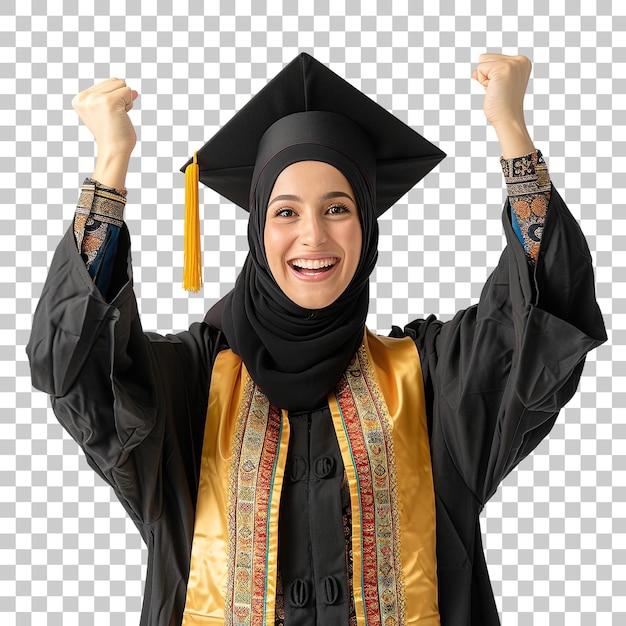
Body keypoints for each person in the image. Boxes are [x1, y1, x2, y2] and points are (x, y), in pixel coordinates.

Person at [27, 53, 606, 626]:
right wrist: (111, 162)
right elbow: (78, 366)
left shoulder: (429, 380)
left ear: (367, 225)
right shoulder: (193, 384)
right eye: (285, 212)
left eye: (337, 208)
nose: (313, 236)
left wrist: (511, 129)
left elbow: (540, 322)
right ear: (257, 228)